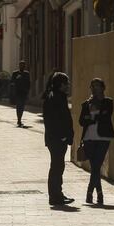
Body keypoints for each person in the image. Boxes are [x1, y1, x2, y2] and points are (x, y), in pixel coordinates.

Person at [79, 78, 114, 205]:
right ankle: (98, 194)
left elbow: (107, 116)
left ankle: (90, 192)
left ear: (102, 88)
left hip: (103, 137)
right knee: (95, 166)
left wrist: (91, 117)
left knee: (96, 165)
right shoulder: (86, 104)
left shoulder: (108, 102)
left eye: (97, 86)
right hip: (89, 137)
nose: (95, 88)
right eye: (92, 86)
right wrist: (94, 117)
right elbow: (81, 122)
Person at [43, 72, 75, 206]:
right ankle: (55, 196)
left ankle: (57, 194)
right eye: (66, 83)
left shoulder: (55, 96)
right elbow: (56, 119)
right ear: (61, 84)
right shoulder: (56, 97)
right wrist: (62, 136)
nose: (68, 86)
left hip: (54, 138)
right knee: (57, 167)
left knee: (57, 166)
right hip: (57, 138)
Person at [11, 60, 30, 127]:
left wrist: (28, 91)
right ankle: (19, 119)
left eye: (23, 65)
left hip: (24, 92)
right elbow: (12, 82)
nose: (22, 66)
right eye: (21, 65)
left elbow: (28, 83)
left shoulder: (27, 73)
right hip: (17, 92)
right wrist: (16, 79)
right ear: (19, 66)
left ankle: (20, 118)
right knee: (18, 106)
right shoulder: (15, 73)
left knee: (22, 106)